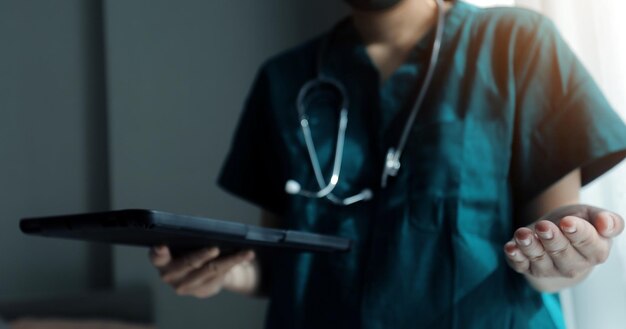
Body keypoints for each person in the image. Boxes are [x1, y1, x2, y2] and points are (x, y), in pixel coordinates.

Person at [149, 0, 626, 328]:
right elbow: (278, 267)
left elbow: (550, 258)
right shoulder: (284, 79)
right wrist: (222, 274)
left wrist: (566, 253)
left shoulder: (519, 45)